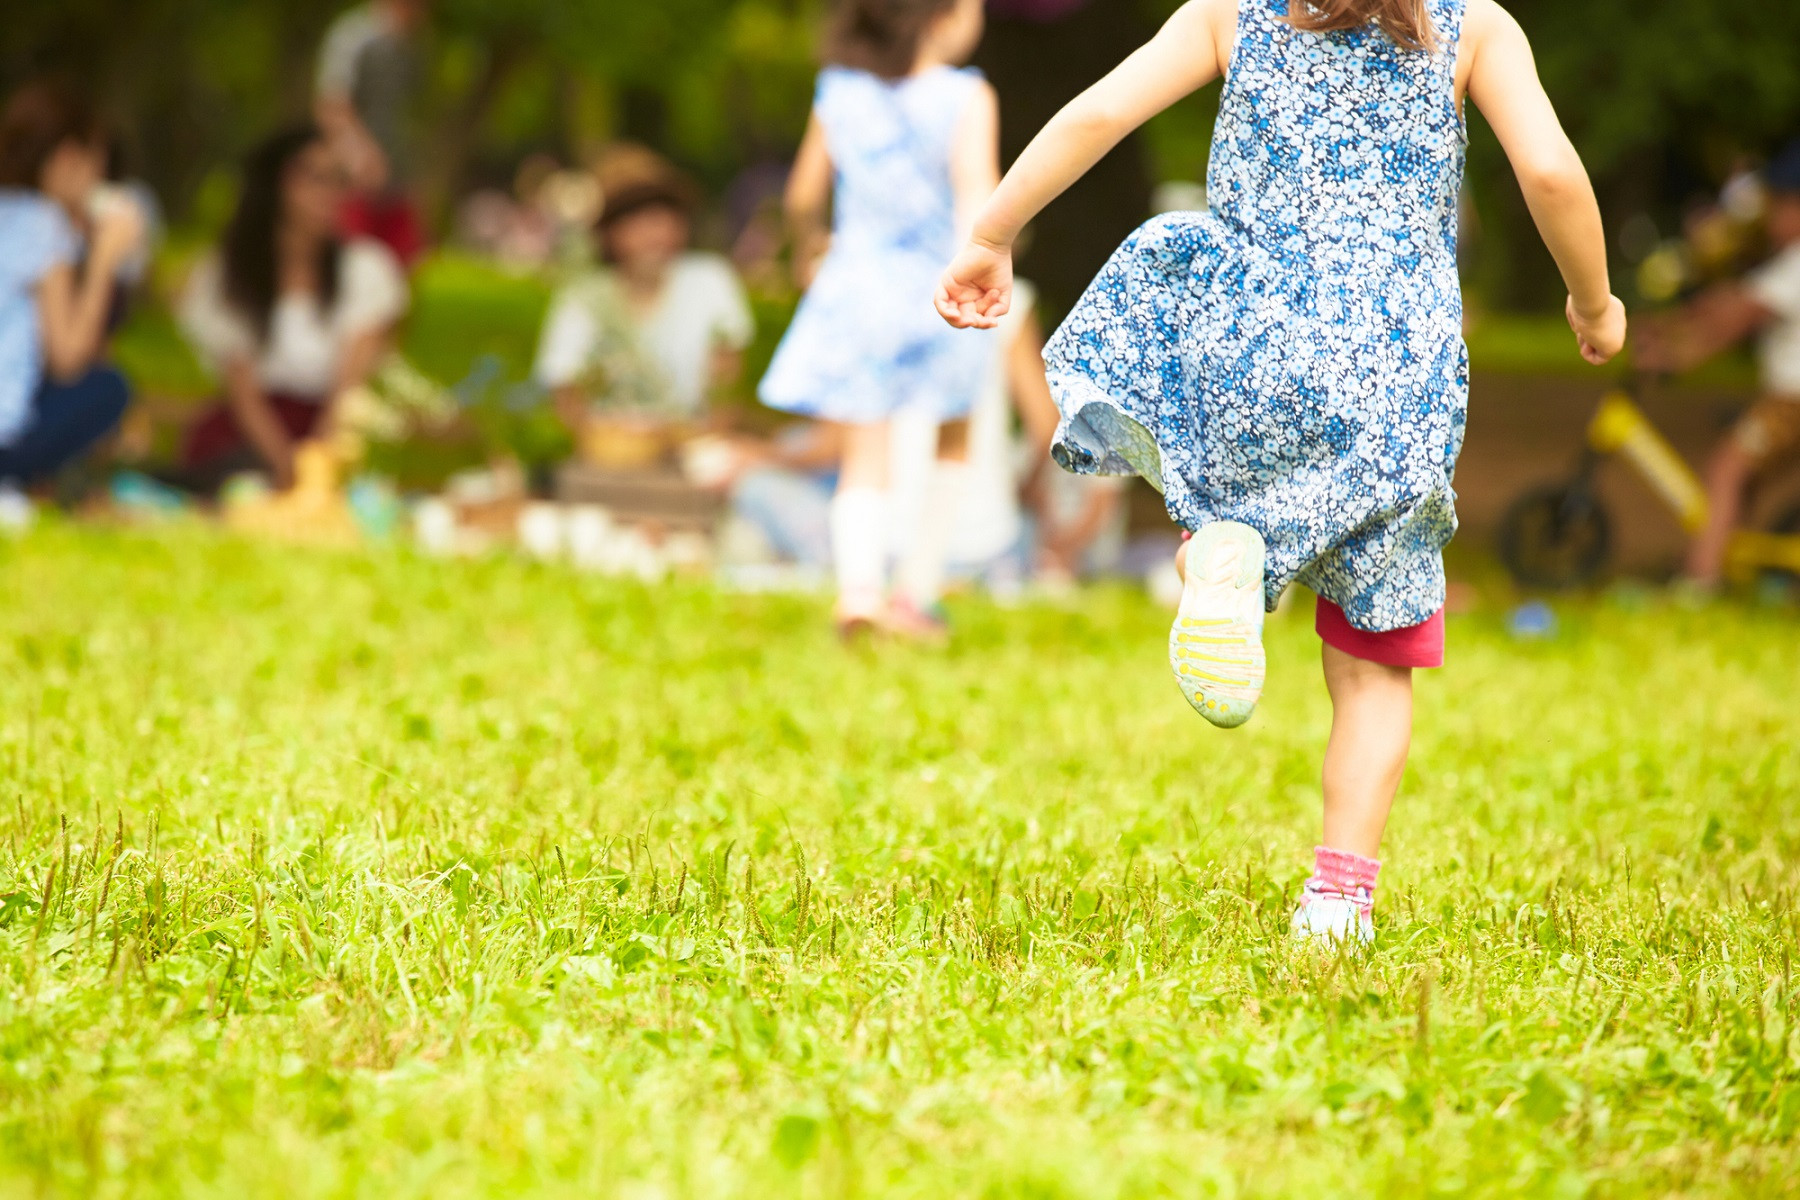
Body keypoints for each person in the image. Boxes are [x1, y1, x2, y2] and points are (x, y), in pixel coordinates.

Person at [936, 0, 1626, 942]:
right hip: (1396, 377)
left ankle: (1217, 549)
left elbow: (1100, 112)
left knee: (1187, 312)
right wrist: (1594, 300)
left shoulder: (1233, 13)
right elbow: (1548, 170)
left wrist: (990, 235)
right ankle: (1338, 900)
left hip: (1253, 348)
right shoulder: (1477, 28)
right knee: (1375, 662)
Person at [759, 0, 1000, 637]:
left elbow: (802, 196)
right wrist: (984, 266)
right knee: (954, 436)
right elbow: (977, 194)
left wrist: (810, 250)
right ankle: (914, 594)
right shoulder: (966, 96)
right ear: (941, 17)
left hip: (860, 286)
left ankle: (859, 593)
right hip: (941, 285)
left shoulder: (841, 90)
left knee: (865, 445)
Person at [178, 125, 409, 491]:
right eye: (315, 178)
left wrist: (315, 466)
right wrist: (284, 463)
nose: (329, 194)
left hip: (333, 426)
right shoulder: (229, 275)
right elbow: (242, 389)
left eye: (338, 180)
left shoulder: (364, 270)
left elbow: (350, 388)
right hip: (257, 431)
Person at [1636, 141, 1800, 588]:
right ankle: (1723, 558)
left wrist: (1677, 356)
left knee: (1727, 469)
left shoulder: (1795, 263)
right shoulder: (1786, 263)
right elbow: (1728, 303)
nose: (1771, 217)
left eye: (1781, 205)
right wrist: (1672, 326)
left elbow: (1739, 318)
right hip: (1785, 400)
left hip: (1791, 403)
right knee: (1745, 476)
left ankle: (1700, 580)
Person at [534, 149, 755, 427]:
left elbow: (726, 386)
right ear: (608, 233)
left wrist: (701, 436)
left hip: (694, 437)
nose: (653, 232)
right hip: (609, 441)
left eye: (662, 216)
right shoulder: (583, 298)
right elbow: (565, 390)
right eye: (635, 219)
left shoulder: (711, 279)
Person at [0, 82, 142, 494]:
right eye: (97, 161)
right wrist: (104, 259)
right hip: (6, 439)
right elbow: (68, 358)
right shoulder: (43, 222)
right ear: (68, 157)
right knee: (109, 388)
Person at [315, 0, 431, 266]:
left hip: (396, 179)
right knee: (354, 266)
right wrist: (360, 155)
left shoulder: (410, 48)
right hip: (355, 180)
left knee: (405, 267)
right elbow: (332, 105)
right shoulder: (353, 37)